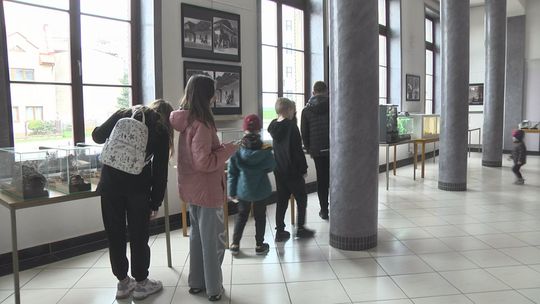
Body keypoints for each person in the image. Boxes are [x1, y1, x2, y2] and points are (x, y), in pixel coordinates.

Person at [92, 99, 174, 301]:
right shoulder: (161, 130)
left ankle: (122, 283)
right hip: (138, 189)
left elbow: (97, 137)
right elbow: (160, 171)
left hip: (110, 185)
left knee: (115, 234)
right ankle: (141, 284)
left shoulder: (124, 112)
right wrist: (155, 202)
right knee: (139, 236)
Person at [170, 75, 238, 301]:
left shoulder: (186, 122)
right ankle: (214, 288)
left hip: (192, 190)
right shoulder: (202, 124)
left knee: (197, 238)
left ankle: (197, 282)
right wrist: (228, 149)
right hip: (207, 191)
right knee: (213, 242)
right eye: (214, 92)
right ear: (208, 95)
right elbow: (205, 162)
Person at [228, 114, 276, 256]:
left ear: (244, 130)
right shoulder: (265, 149)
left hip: (243, 190)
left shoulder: (237, 150)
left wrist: (231, 191)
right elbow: (271, 167)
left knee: (242, 216)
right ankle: (260, 245)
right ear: (259, 129)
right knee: (260, 217)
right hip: (261, 189)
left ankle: (235, 244)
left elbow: (232, 173)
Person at [268, 97, 315, 241]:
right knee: (301, 198)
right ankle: (300, 228)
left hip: (279, 169)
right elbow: (296, 151)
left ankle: (280, 231)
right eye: (293, 111)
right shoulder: (292, 127)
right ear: (288, 110)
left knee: (281, 200)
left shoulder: (273, 126)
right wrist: (303, 168)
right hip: (293, 170)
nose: (294, 113)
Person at [301, 81, 330, 220]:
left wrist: (309, 148)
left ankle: (324, 210)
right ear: (326, 92)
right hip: (334, 148)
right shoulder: (334, 107)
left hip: (317, 149)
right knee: (336, 178)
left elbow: (304, 133)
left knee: (322, 179)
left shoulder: (306, 111)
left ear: (313, 92)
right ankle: (338, 207)